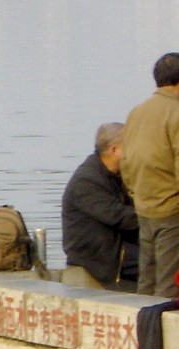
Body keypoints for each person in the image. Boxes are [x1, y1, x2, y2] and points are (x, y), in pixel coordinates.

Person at [121, 53, 179, 298]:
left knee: (147, 277)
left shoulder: (137, 112)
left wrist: (136, 194)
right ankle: (159, 334)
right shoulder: (176, 112)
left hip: (144, 206)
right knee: (169, 281)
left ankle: (140, 326)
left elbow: (126, 161)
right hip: (172, 208)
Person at [61, 122, 140, 290]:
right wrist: (157, 215)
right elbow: (119, 216)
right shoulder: (87, 181)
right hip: (99, 256)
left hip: (119, 245)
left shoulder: (116, 174)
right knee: (161, 260)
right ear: (114, 150)